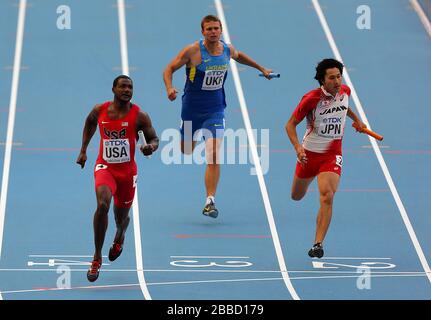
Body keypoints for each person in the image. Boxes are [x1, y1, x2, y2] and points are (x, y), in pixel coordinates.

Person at [163, 14, 273, 218]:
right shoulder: (193, 51)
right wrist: (169, 88)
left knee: (213, 155)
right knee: (187, 150)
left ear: (221, 30)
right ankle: (187, 135)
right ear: (202, 32)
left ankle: (210, 201)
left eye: (216, 28)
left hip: (216, 109)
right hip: (191, 110)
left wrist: (261, 68)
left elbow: (239, 56)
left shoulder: (227, 49)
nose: (213, 32)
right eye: (209, 29)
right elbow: (169, 68)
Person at [76, 75, 159, 282]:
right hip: (105, 168)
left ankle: (120, 234)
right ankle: (96, 257)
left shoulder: (140, 116)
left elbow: (154, 138)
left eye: (130, 87)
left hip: (127, 173)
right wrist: (84, 150)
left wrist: (151, 147)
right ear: (113, 89)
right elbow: (89, 123)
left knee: (120, 218)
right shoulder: (100, 110)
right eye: (122, 86)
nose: (127, 90)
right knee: (102, 204)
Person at [285, 58, 366, 258]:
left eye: (339, 76)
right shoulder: (311, 99)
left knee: (327, 195)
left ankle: (317, 244)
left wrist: (357, 120)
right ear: (322, 80)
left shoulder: (345, 91)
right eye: (332, 78)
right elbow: (290, 125)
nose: (337, 81)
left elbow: (343, 108)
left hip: (332, 154)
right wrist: (298, 148)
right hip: (309, 155)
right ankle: (310, 177)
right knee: (296, 196)